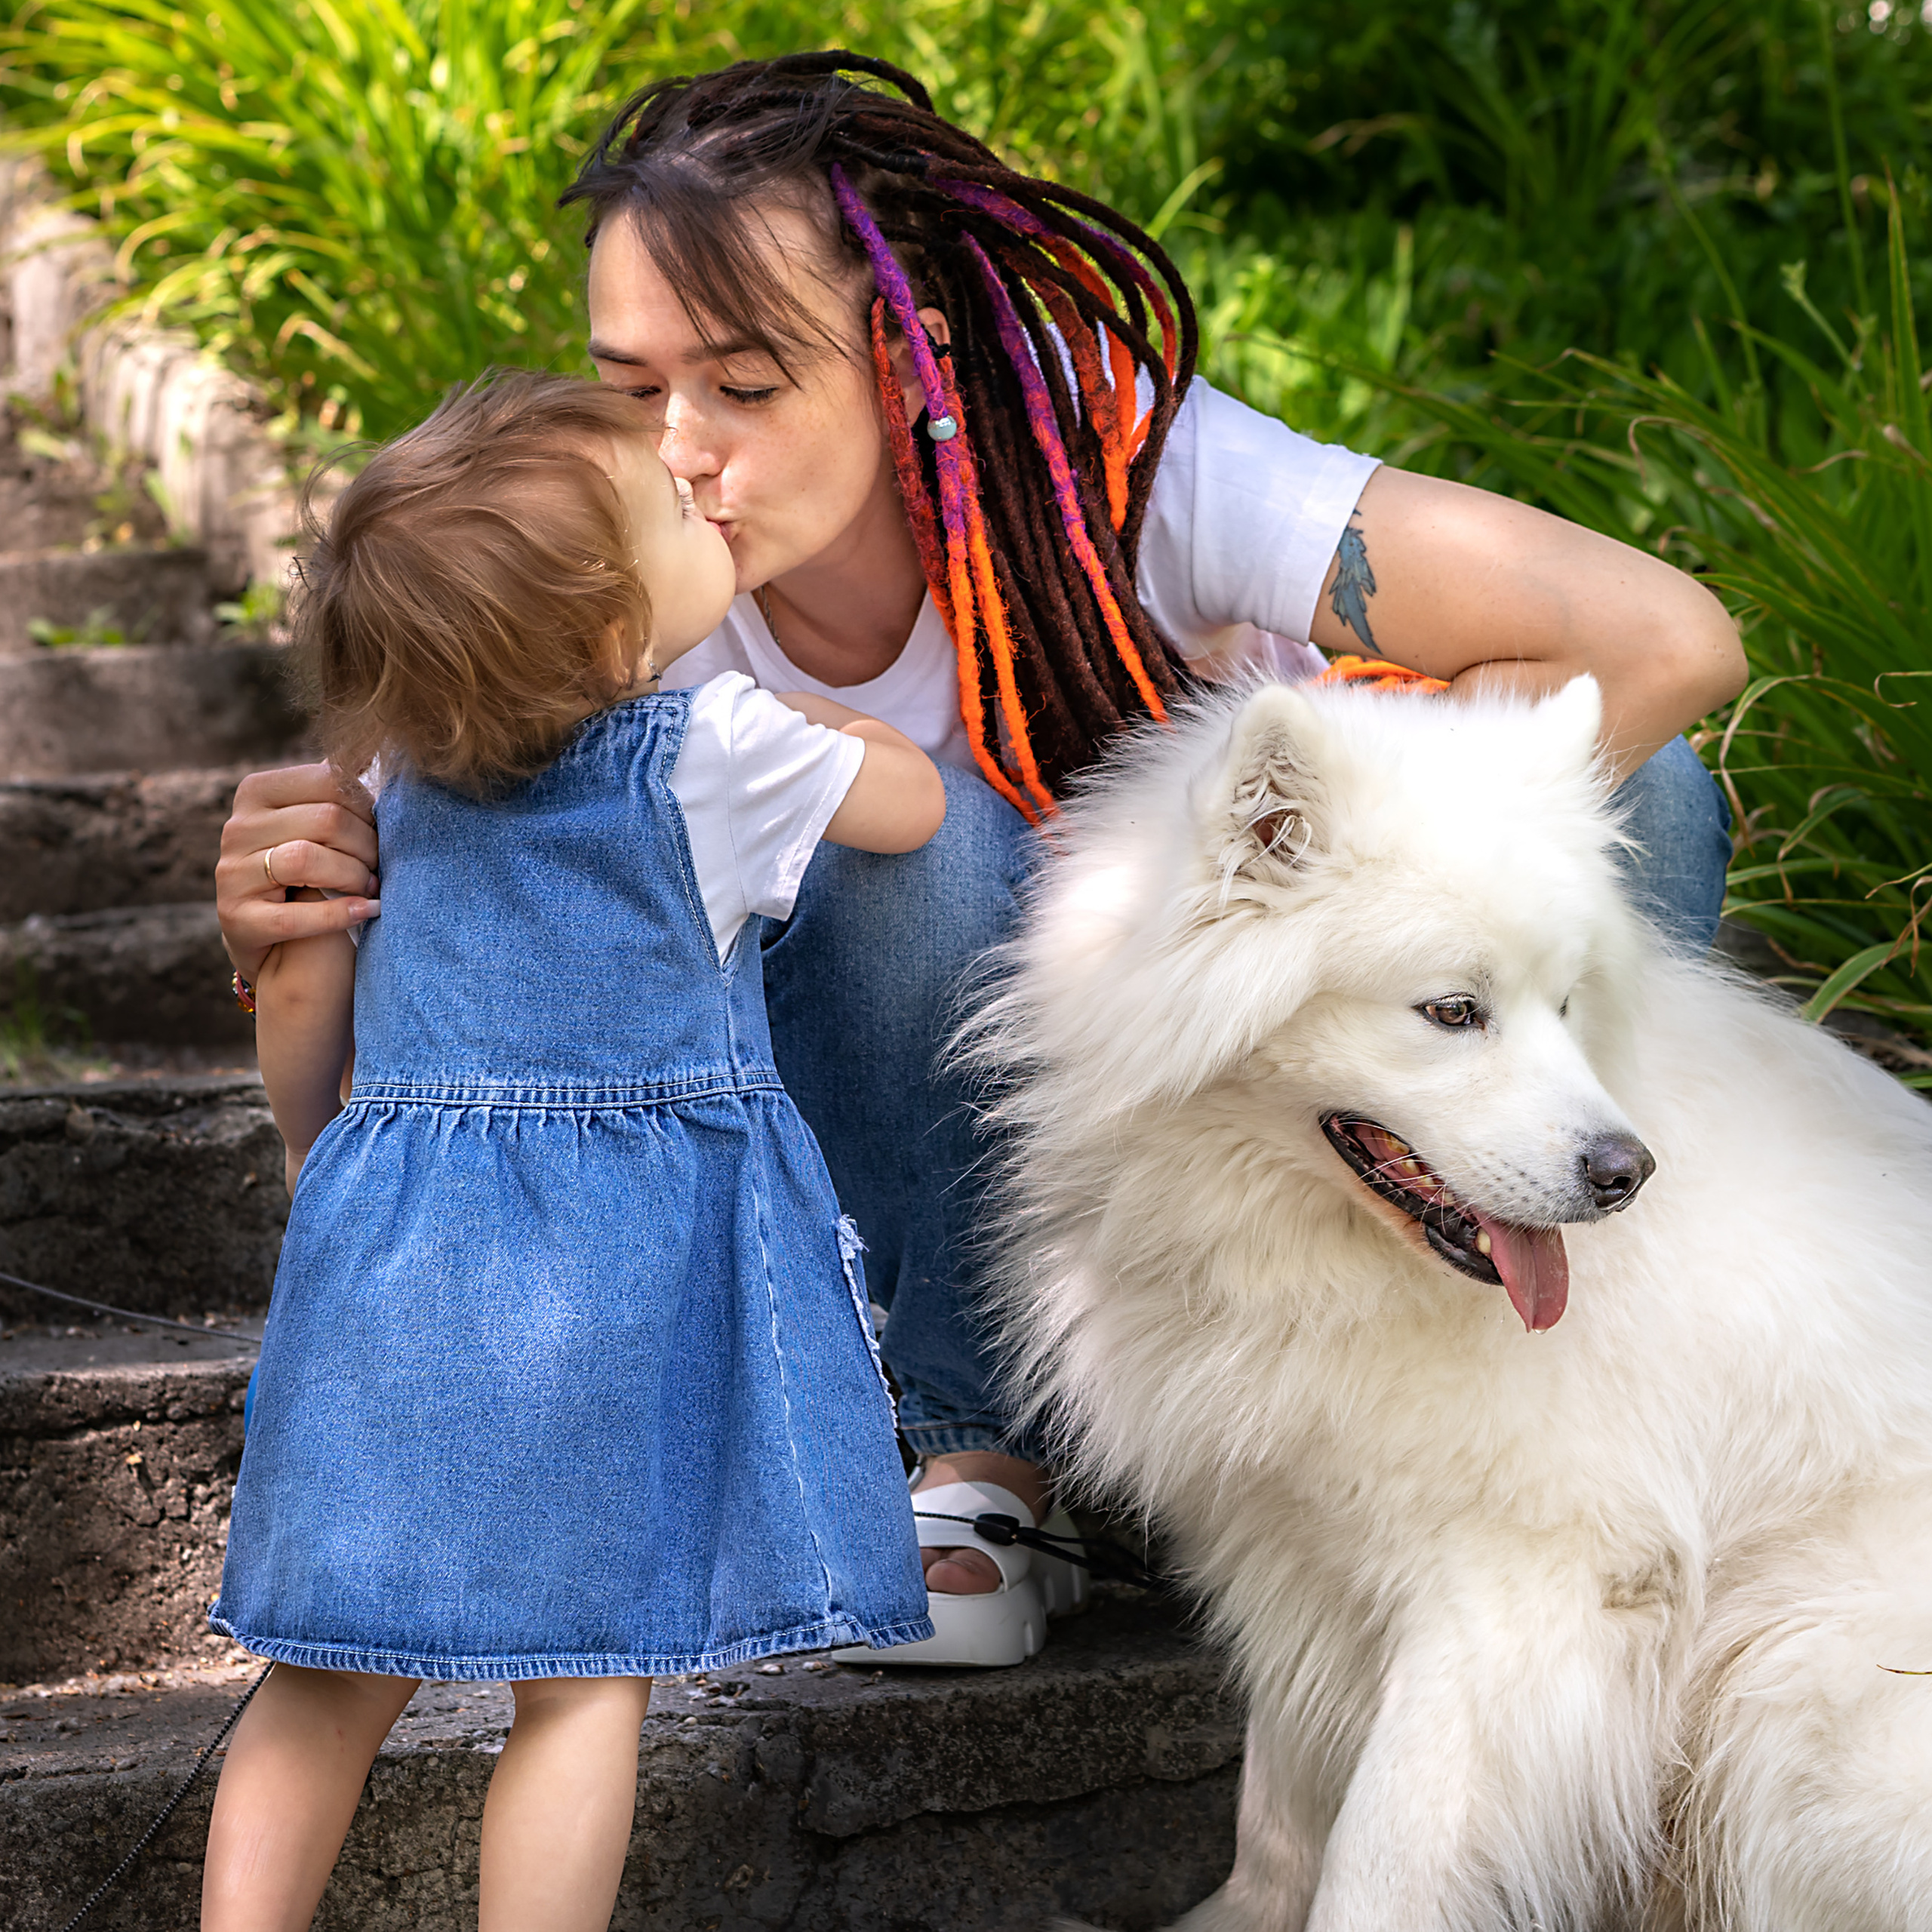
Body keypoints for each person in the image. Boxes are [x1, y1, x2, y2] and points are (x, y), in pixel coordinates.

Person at [214, 53, 1747, 1670]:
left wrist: (1326, 881)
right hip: (927, 1157)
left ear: (907, 354)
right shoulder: (609, 587)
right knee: (902, 854)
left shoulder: (1113, 458)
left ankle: (1541, 1372)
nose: (678, 449)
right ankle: (976, 1465)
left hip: (1261, 1095)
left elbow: (1663, 639)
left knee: (1648, 797)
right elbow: (418, 1005)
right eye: (629, 386)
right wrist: (299, 906)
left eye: (745, 385)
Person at [201, 371, 944, 1932]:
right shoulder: (716, 751)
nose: (699, 486)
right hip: (607, 1295)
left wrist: (309, 1148)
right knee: (581, 1689)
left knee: (325, 1672)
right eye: (671, 505)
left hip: (390, 1262)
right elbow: (911, 805)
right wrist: (822, 728)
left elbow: (307, 990)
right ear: (616, 638)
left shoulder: (398, 783)